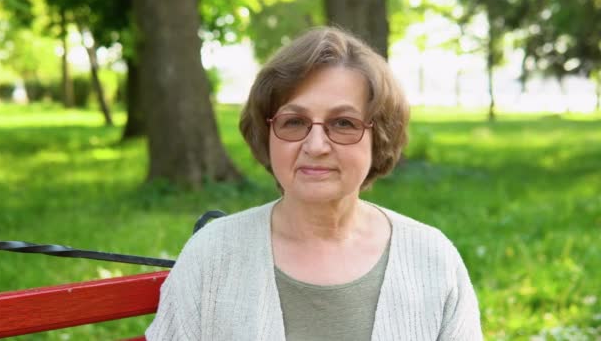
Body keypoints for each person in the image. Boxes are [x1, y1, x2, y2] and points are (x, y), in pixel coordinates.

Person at [146, 27, 483, 340]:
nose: (316, 145)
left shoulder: (432, 260)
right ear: (267, 135)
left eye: (343, 123)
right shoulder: (212, 256)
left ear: (378, 137)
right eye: (294, 122)